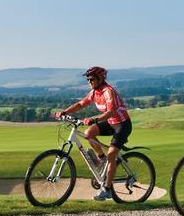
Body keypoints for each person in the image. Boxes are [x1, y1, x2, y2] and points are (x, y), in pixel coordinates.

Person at [55, 66, 132, 201]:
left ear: (101, 78)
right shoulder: (94, 92)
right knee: (88, 133)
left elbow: (112, 111)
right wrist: (65, 112)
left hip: (122, 125)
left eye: (92, 79)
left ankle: (107, 189)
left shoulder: (108, 91)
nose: (89, 82)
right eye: (88, 80)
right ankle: (101, 158)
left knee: (112, 155)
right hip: (110, 122)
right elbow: (81, 104)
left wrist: (94, 119)